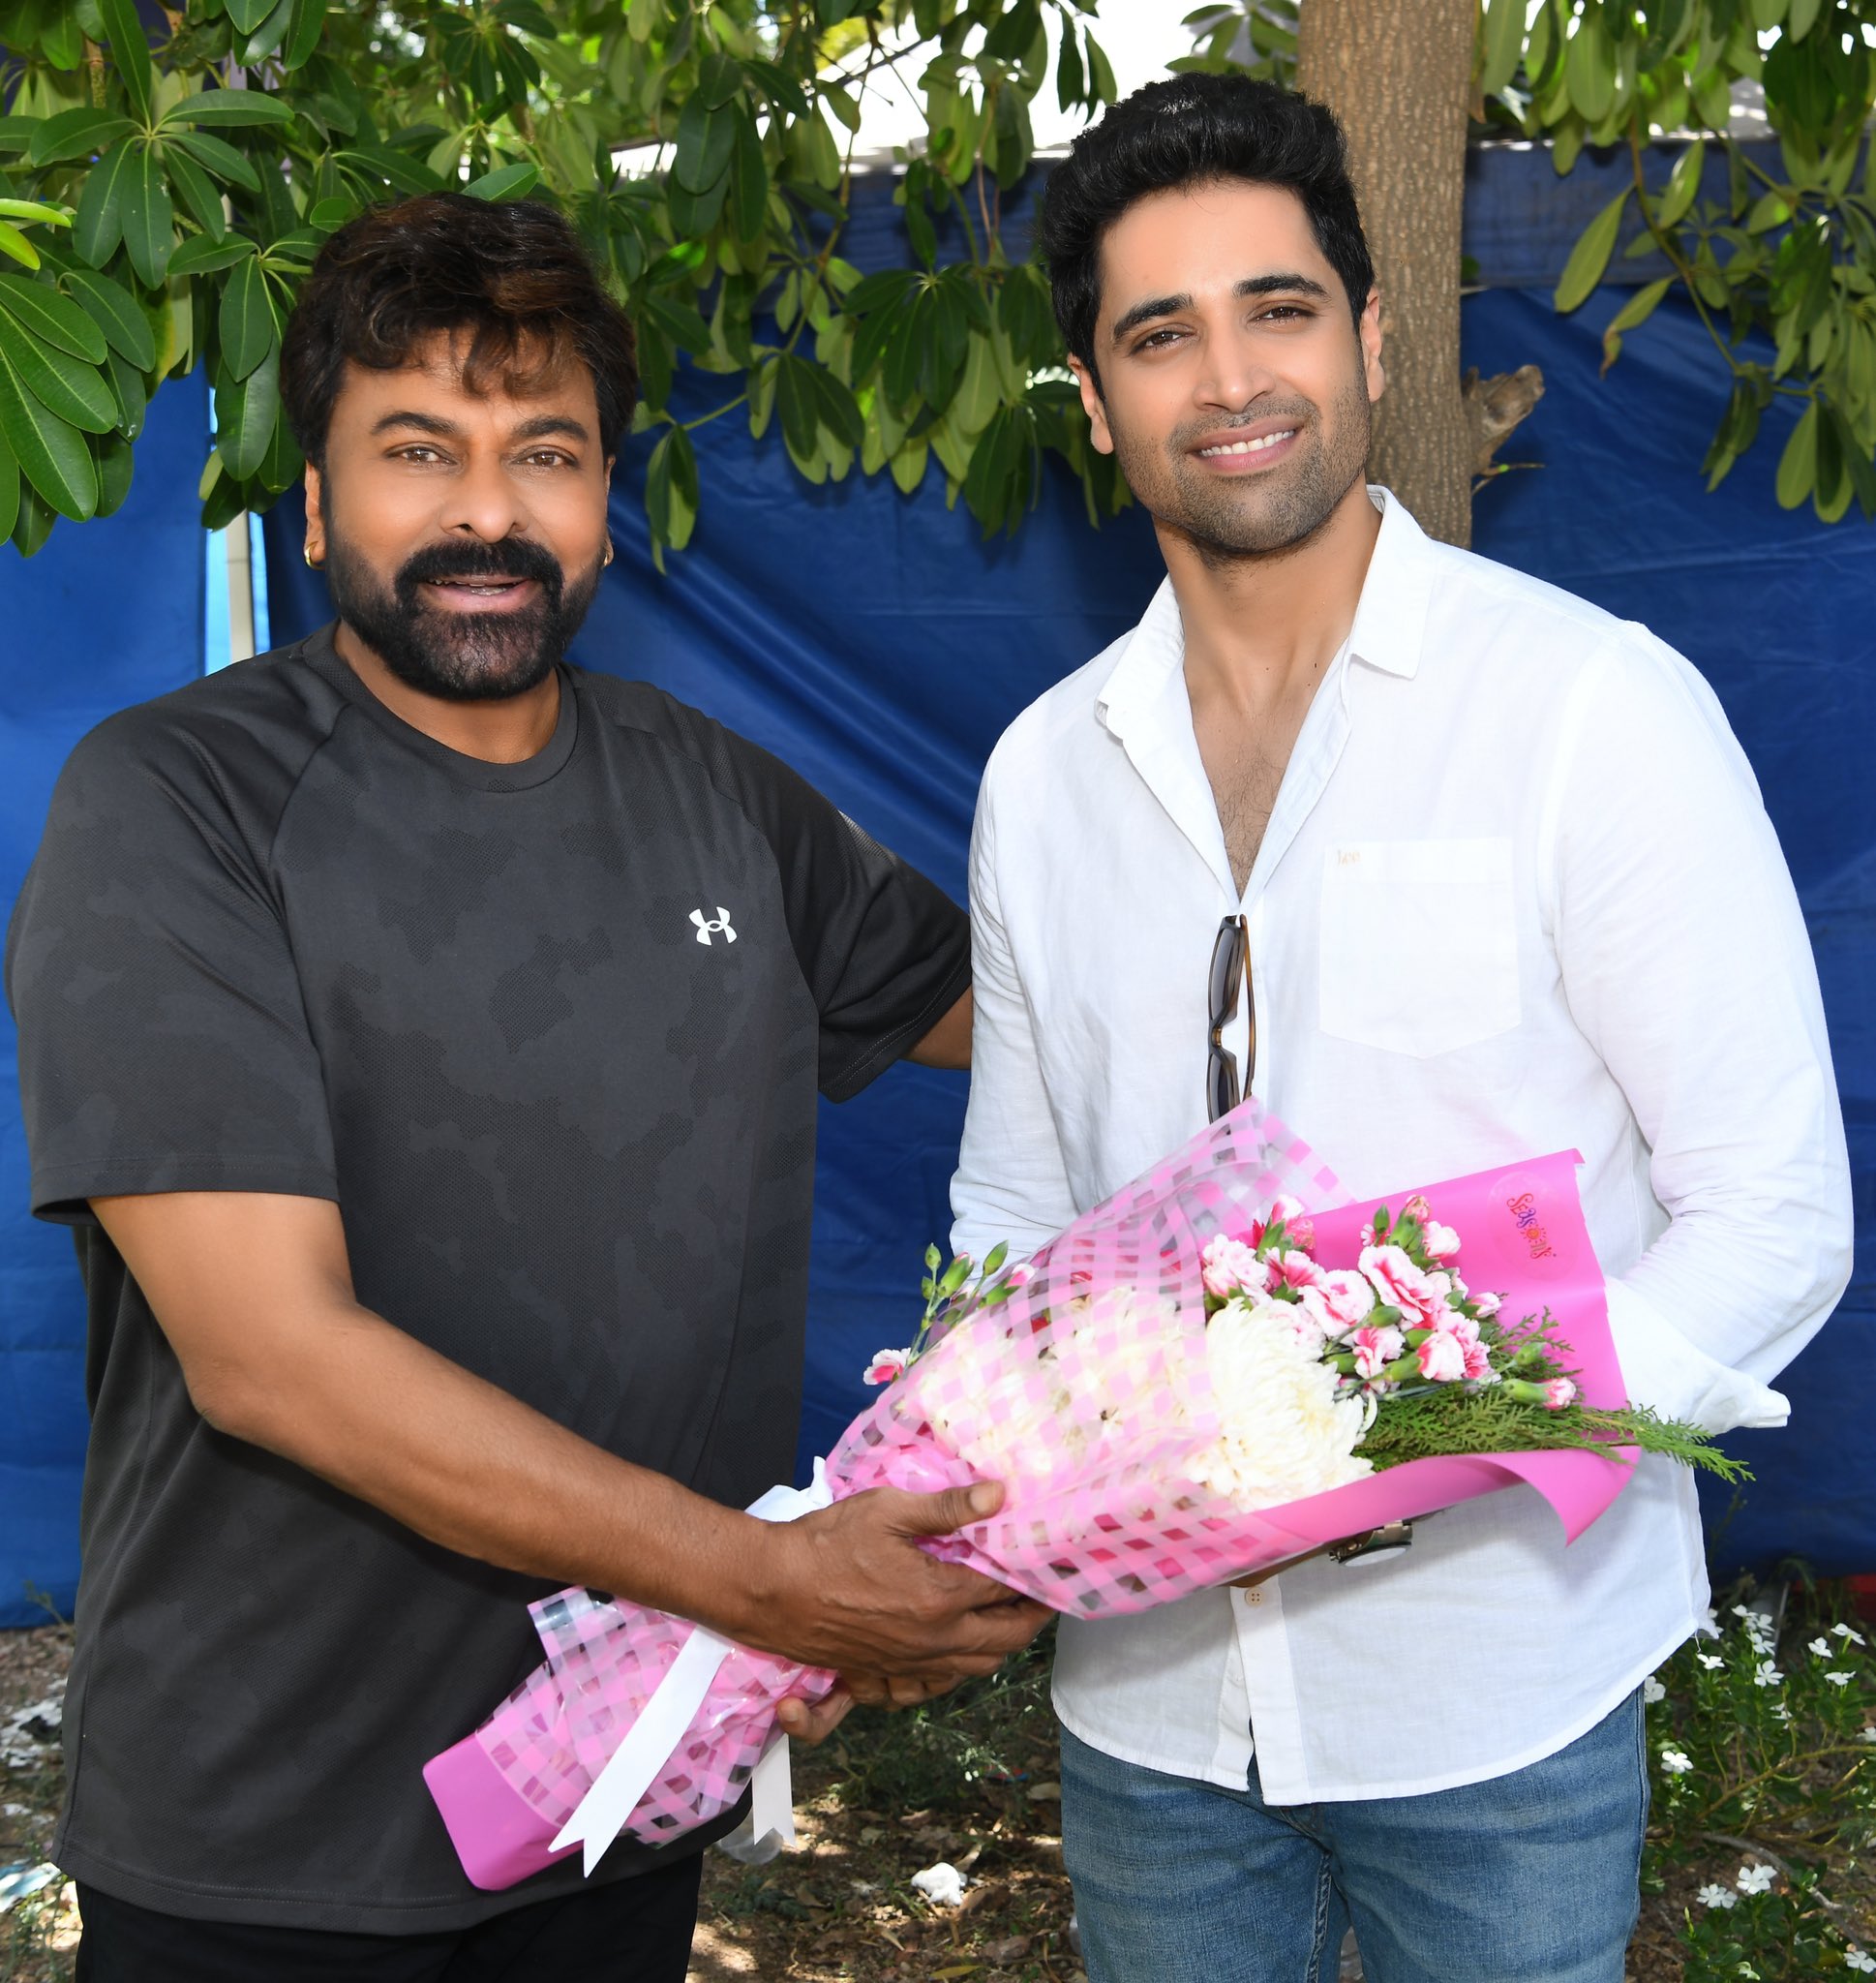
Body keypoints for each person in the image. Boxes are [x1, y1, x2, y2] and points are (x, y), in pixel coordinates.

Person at [8, 191, 1046, 1982]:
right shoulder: (175, 807)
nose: (487, 512)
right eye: (418, 450)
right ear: (317, 499)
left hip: (619, 1784)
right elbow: (270, 1358)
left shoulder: (716, 795)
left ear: (603, 504)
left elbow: (1045, 1020)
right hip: (271, 1846)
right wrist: (765, 1579)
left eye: (543, 453)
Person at [951, 74, 1852, 1983]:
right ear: (1098, 408)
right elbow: (1018, 1220)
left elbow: (1774, 1215)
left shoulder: (1592, 711)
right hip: (1149, 1708)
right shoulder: (1043, 778)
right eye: (1159, 332)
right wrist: (965, 1471)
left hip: (1501, 1688)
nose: (1233, 374)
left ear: (1370, 338)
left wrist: (1419, 1451)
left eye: (1279, 307)